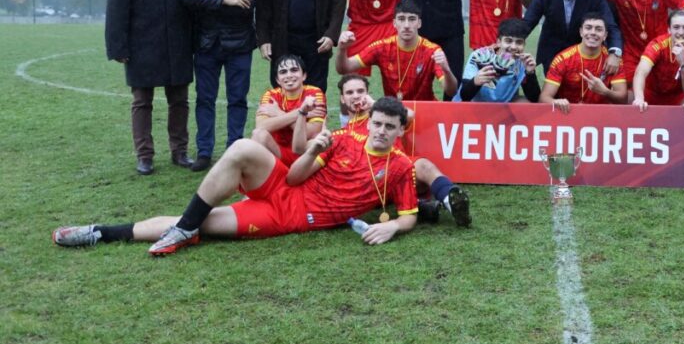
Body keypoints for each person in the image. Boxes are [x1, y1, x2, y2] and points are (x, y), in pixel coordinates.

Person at [53, 98, 419, 255]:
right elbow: (293, 179)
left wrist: (391, 227)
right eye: (377, 124)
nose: (381, 131)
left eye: (390, 126)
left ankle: (100, 231)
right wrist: (312, 150)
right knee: (244, 146)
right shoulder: (344, 138)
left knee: (206, 223)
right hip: (288, 188)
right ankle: (184, 230)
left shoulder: (401, 166)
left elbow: (409, 215)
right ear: (367, 122)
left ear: (401, 129)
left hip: (290, 217)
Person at [105, 0, 194, 175]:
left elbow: (194, 5)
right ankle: (144, 156)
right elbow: (116, 7)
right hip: (141, 46)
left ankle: (179, 152)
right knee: (141, 102)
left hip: (178, 45)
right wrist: (117, 47)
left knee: (179, 101)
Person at [181, 0, 262, 172]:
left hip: (239, 44)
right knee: (205, 99)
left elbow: (246, 4)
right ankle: (204, 152)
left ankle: (233, 151)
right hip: (206, 44)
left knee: (237, 100)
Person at [337, 74, 471, 227]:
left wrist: (375, 105)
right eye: (349, 93)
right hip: (373, 181)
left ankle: (451, 201)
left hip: (401, 171)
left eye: (360, 91)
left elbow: (409, 115)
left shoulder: (386, 116)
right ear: (342, 98)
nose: (356, 96)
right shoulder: (344, 133)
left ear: (368, 94)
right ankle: (422, 207)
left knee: (423, 165)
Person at [335, 0, 457, 101]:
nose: (407, 25)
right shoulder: (382, 47)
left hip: (424, 112)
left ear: (419, 23)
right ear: (394, 23)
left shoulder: (432, 51)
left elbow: (451, 91)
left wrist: (447, 70)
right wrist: (342, 49)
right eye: (401, 19)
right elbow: (344, 68)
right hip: (393, 113)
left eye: (412, 19)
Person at [522, 0, 622, 74]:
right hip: (551, 54)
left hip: (583, 54)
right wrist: (508, 43)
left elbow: (610, 26)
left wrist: (615, 53)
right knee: (553, 92)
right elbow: (527, 23)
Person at [539, 13, 628, 113]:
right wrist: (556, 102)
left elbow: (623, 99)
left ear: (605, 36)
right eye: (588, 28)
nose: (593, 32)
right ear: (581, 32)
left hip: (601, 115)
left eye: (598, 29)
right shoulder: (563, 59)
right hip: (568, 114)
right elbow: (543, 98)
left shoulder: (613, 61)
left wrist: (605, 91)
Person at [251, 54, 327, 167]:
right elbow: (261, 126)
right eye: (283, 72)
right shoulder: (271, 95)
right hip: (276, 151)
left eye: (294, 70)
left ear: (304, 76)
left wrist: (278, 113)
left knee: (317, 140)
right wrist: (301, 113)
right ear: (277, 79)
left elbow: (311, 132)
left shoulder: (314, 93)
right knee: (258, 134)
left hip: (304, 153)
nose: (289, 75)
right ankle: (274, 173)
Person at [632, 9, 684, 111]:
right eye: (676, 27)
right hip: (651, 96)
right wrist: (639, 99)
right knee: (630, 97)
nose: (681, 32)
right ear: (669, 30)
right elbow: (640, 72)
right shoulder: (658, 44)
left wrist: (683, 63)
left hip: (678, 100)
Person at [454, 18, 541, 102]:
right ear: (499, 42)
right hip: (475, 105)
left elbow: (534, 99)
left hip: (502, 106)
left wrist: (530, 73)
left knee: (525, 104)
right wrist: (475, 81)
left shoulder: (522, 62)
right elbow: (464, 96)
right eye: (508, 41)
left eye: (519, 42)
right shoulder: (479, 56)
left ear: (524, 44)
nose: (514, 47)